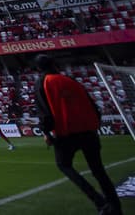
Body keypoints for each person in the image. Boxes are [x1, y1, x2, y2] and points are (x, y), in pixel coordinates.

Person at [34, 55, 122, 214]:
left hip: (67, 133)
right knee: (98, 170)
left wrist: (46, 132)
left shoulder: (43, 82)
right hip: (89, 132)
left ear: (38, 69)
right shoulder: (71, 80)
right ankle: (115, 207)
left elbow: (45, 113)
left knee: (64, 165)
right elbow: (93, 106)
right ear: (54, 64)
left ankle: (99, 202)